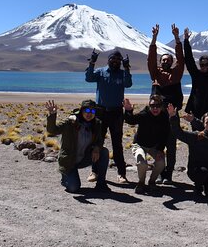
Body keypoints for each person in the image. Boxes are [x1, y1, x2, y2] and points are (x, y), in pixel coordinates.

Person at [85, 49, 133, 184]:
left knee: (117, 144)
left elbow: (128, 84)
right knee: (97, 141)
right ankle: (94, 171)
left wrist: (127, 68)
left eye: (118, 60)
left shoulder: (122, 74)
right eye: (113, 59)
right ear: (108, 60)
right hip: (100, 111)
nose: (115, 61)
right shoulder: (101, 72)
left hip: (116, 112)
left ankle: (121, 174)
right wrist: (92, 62)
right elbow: (88, 78)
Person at [45, 99, 110, 193]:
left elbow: (99, 140)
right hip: (69, 160)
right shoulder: (71, 122)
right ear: (82, 111)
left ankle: (101, 184)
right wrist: (52, 115)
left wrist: (96, 148)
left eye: (92, 111)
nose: (89, 114)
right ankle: (65, 178)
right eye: (87, 110)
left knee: (104, 152)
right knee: (73, 188)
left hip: (84, 158)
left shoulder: (96, 124)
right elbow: (52, 130)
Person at [147, 23, 185, 184]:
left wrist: (177, 38)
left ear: (172, 62)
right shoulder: (155, 74)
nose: (165, 62)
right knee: (158, 145)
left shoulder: (176, 74)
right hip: (156, 117)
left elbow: (181, 59)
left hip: (171, 117)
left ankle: (168, 174)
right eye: (163, 60)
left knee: (171, 146)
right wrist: (154, 38)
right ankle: (159, 171)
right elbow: (150, 58)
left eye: (168, 60)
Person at [167, 107, 208, 197]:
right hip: (197, 171)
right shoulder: (197, 136)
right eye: (207, 123)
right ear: (204, 124)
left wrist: (193, 120)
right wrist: (173, 117)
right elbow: (178, 133)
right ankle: (198, 186)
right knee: (204, 172)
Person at [122, 95, 171, 194]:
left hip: (155, 147)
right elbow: (131, 120)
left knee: (161, 163)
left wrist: (160, 150)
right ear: (149, 106)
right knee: (142, 163)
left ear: (162, 106)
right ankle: (141, 183)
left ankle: (152, 182)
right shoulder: (144, 114)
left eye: (158, 106)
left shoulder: (164, 117)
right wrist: (128, 110)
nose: (155, 108)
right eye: (152, 106)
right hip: (140, 144)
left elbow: (165, 134)